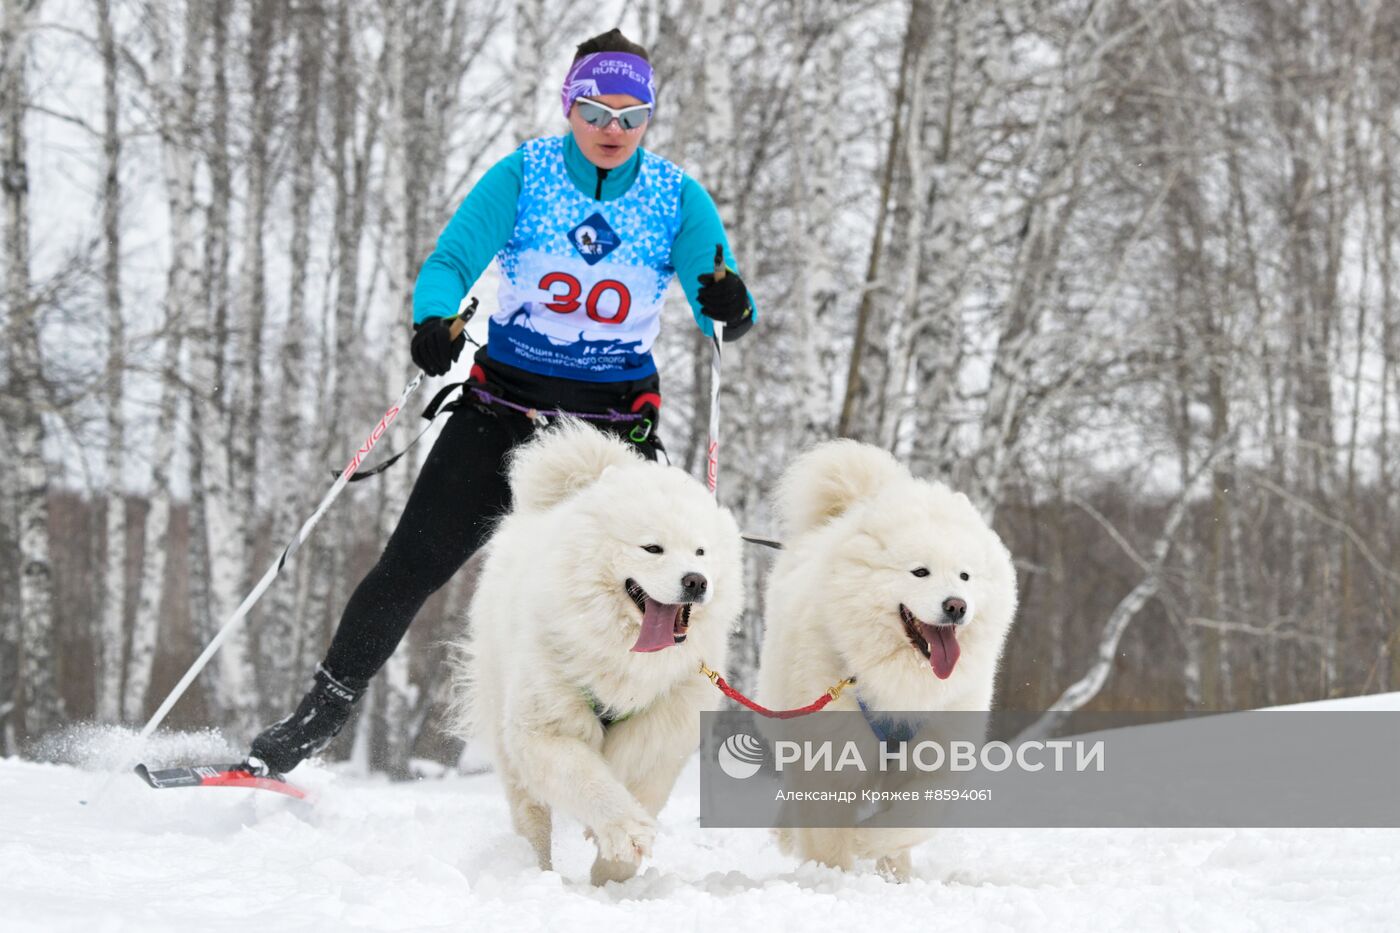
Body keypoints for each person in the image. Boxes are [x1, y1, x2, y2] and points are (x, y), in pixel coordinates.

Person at [246, 28, 756, 775]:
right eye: (595, 110)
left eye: (631, 115)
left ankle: (612, 742)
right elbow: (451, 262)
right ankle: (315, 719)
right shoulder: (528, 173)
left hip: (613, 432)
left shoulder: (676, 196)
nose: (612, 130)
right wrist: (434, 320)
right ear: (568, 105)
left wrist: (730, 300)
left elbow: (728, 304)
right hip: (503, 412)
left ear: (650, 117)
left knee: (642, 590)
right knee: (408, 568)